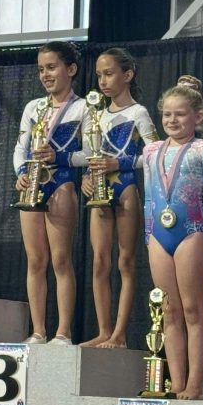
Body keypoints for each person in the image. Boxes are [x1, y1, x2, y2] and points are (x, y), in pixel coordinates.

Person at [143, 75, 203, 399]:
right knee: (169, 311)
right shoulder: (151, 151)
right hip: (158, 237)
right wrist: (148, 236)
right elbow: (149, 199)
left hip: (192, 233)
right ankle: (176, 383)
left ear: (197, 116)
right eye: (167, 114)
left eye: (180, 114)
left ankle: (195, 385)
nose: (172, 120)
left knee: (193, 309)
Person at [81, 48, 159, 348]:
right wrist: (86, 177)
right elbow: (91, 155)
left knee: (125, 261)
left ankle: (120, 334)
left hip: (125, 189)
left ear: (127, 75)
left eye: (109, 74)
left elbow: (155, 154)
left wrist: (120, 163)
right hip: (99, 192)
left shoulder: (138, 113)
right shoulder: (96, 115)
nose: (102, 81)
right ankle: (103, 330)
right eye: (99, 75)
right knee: (100, 261)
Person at [13, 42, 90, 344]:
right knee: (35, 261)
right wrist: (21, 173)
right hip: (32, 184)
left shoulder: (84, 108)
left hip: (62, 182)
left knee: (60, 260)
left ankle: (63, 332)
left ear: (70, 69)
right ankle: (38, 331)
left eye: (51, 67)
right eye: (41, 69)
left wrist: (60, 157)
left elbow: (92, 153)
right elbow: (20, 148)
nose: (45, 74)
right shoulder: (33, 107)